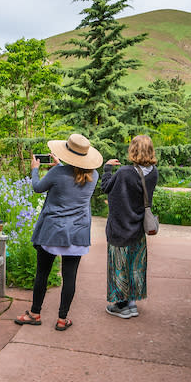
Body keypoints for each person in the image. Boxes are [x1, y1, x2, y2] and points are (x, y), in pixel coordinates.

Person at [14, 132, 103, 331]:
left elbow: (38, 187)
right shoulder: (94, 175)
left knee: (42, 274)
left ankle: (35, 314)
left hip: (53, 232)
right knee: (69, 277)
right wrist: (60, 167)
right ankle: (62, 319)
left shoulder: (58, 173)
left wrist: (35, 169)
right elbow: (73, 181)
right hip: (78, 233)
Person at [99, 135, 159, 319]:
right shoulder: (154, 172)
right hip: (138, 227)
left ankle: (121, 305)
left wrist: (107, 168)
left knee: (119, 265)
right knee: (135, 265)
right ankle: (132, 303)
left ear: (133, 150)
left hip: (120, 227)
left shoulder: (125, 172)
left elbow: (106, 187)